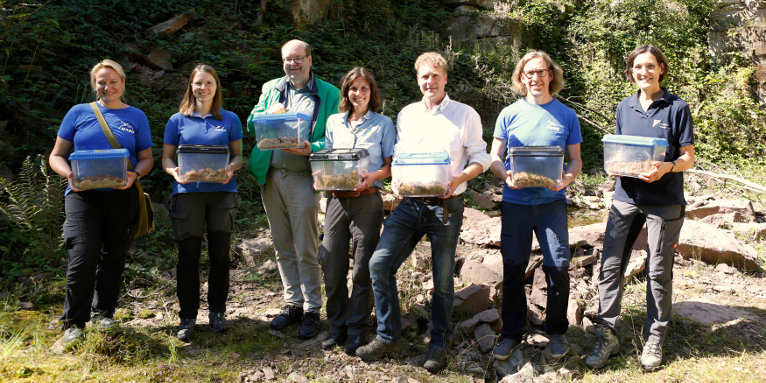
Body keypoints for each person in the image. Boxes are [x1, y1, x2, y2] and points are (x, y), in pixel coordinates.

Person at [356, 52, 492, 374]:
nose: (429, 81)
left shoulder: (465, 114)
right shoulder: (406, 114)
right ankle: (389, 336)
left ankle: (438, 344)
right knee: (379, 264)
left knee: (443, 281)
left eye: (434, 76)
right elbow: (402, 157)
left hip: (446, 206)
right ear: (417, 80)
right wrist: (398, 182)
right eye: (423, 77)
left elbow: (482, 158)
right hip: (410, 204)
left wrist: (460, 178)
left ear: (445, 79)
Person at [585, 44, 694, 371]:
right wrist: (613, 165)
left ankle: (655, 337)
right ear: (631, 71)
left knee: (659, 271)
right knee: (610, 265)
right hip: (626, 198)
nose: (643, 72)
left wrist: (666, 168)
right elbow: (621, 151)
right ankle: (607, 334)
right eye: (637, 67)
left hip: (664, 202)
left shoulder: (677, 107)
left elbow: (688, 156)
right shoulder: (624, 107)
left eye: (649, 66)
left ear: (661, 68)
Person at [49, 59, 154, 347]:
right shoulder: (78, 113)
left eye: (113, 81)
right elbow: (56, 155)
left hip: (122, 194)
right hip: (83, 196)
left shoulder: (136, 116)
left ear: (122, 83)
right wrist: (68, 173)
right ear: (94, 84)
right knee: (83, 254)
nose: (107, 87)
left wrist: (134, 174)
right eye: (101, 82)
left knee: (114, 255)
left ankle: (104, 312)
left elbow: (146, 159)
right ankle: (73, 323)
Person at [488, 50, 583, 361]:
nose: (535, 78)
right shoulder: (508, 113)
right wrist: (506, 175)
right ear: (521, 77)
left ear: (550, 75)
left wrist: (566, 180)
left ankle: (556, 331)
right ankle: (512, 333)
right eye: (529, 73)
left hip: (552, 203)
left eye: (541, 72)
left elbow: (576, 159)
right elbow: (493, 158)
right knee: (513, 267)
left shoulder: (566, 115)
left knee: (558, 266)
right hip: (516, 202)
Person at [246, 39, 341, 339]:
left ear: (310, 60)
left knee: (306, 247)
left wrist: (310, 147)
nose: (293, 64)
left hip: (304, 177)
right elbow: (252, 124)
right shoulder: (271, 88)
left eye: (298, 58)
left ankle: (313, 308)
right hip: (271, 175)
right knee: (282, 244)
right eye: (288, 59)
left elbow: (335, 137)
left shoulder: (328, 93)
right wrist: (267, 116)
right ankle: (293, 304)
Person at [162, 64, 243, 340]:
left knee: (220, 256)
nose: (203, 88)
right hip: (188, 196)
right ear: (191, 86)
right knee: (188, 257)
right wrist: (174, 172)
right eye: (198, 83)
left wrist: (231, 168)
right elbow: (167, 158)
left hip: (222, 193)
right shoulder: (177, 120)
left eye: (209, 83)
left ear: (216, 86)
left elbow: (238, 156)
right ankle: (187, 317)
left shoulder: (230, 119)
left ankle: (217, 313)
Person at [318, 67, 396, 354]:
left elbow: (390, 166)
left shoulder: (383, 124)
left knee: (363, 267)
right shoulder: (334, 122)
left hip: (368, 200)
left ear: (371, 92)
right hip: (336, 200)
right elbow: (326, 159)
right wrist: (322, 176)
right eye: (353, 88)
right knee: (332, 265)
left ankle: (357, 329)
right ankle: (336, 325)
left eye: (364, 88)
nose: (358, 94)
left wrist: (372, 177)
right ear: (346, 92)